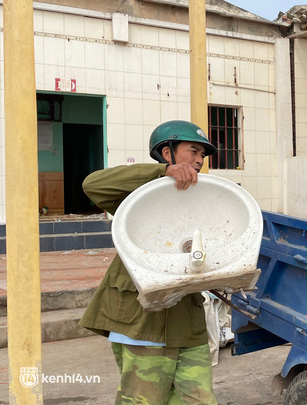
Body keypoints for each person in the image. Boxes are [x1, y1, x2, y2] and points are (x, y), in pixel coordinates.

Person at [79, 120, 218, 404]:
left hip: (188, 324)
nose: (199, 160)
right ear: (167, 153)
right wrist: (160, 174)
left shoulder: (202, 198)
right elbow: (92, 184)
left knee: (200, 399)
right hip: (141, 321)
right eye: (193, 151)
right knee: (143, 399)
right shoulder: (138, 194)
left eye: (202, 155)